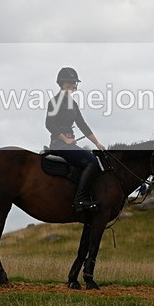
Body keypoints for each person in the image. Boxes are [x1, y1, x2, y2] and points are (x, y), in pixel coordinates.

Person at [46, 67, 106, 213]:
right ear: (62, 83)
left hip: (70, 144)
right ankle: (80, 200)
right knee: (92, 162)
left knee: (96, 158)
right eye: (70, 82)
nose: (73, 85)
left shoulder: (73, 104)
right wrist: (64, 139)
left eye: (74, 82)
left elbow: (83, 125)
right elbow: (49, 123)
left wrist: (97, 143)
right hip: (59, 144)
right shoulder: (55, 101)